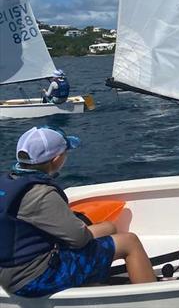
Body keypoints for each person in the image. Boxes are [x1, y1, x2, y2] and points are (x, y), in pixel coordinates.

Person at [0, 126, 156, 297]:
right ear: (57, 159)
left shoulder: (8, 183)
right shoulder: (41, 193)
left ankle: (92, 282)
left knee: (109, 228)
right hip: (34, 279)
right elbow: (78, 240)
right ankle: (152, 299)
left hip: (10, 270)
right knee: (129, 242)